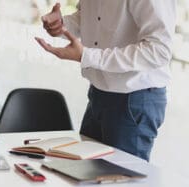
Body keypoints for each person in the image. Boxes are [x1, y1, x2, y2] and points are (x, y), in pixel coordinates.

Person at [35, 1, 176, 161]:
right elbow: (91, 18)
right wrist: (61, 25)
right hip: (99, 92)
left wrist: (87, 56)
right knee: (85, 174)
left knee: (121, 181)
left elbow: (159, 51)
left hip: (134, 98)